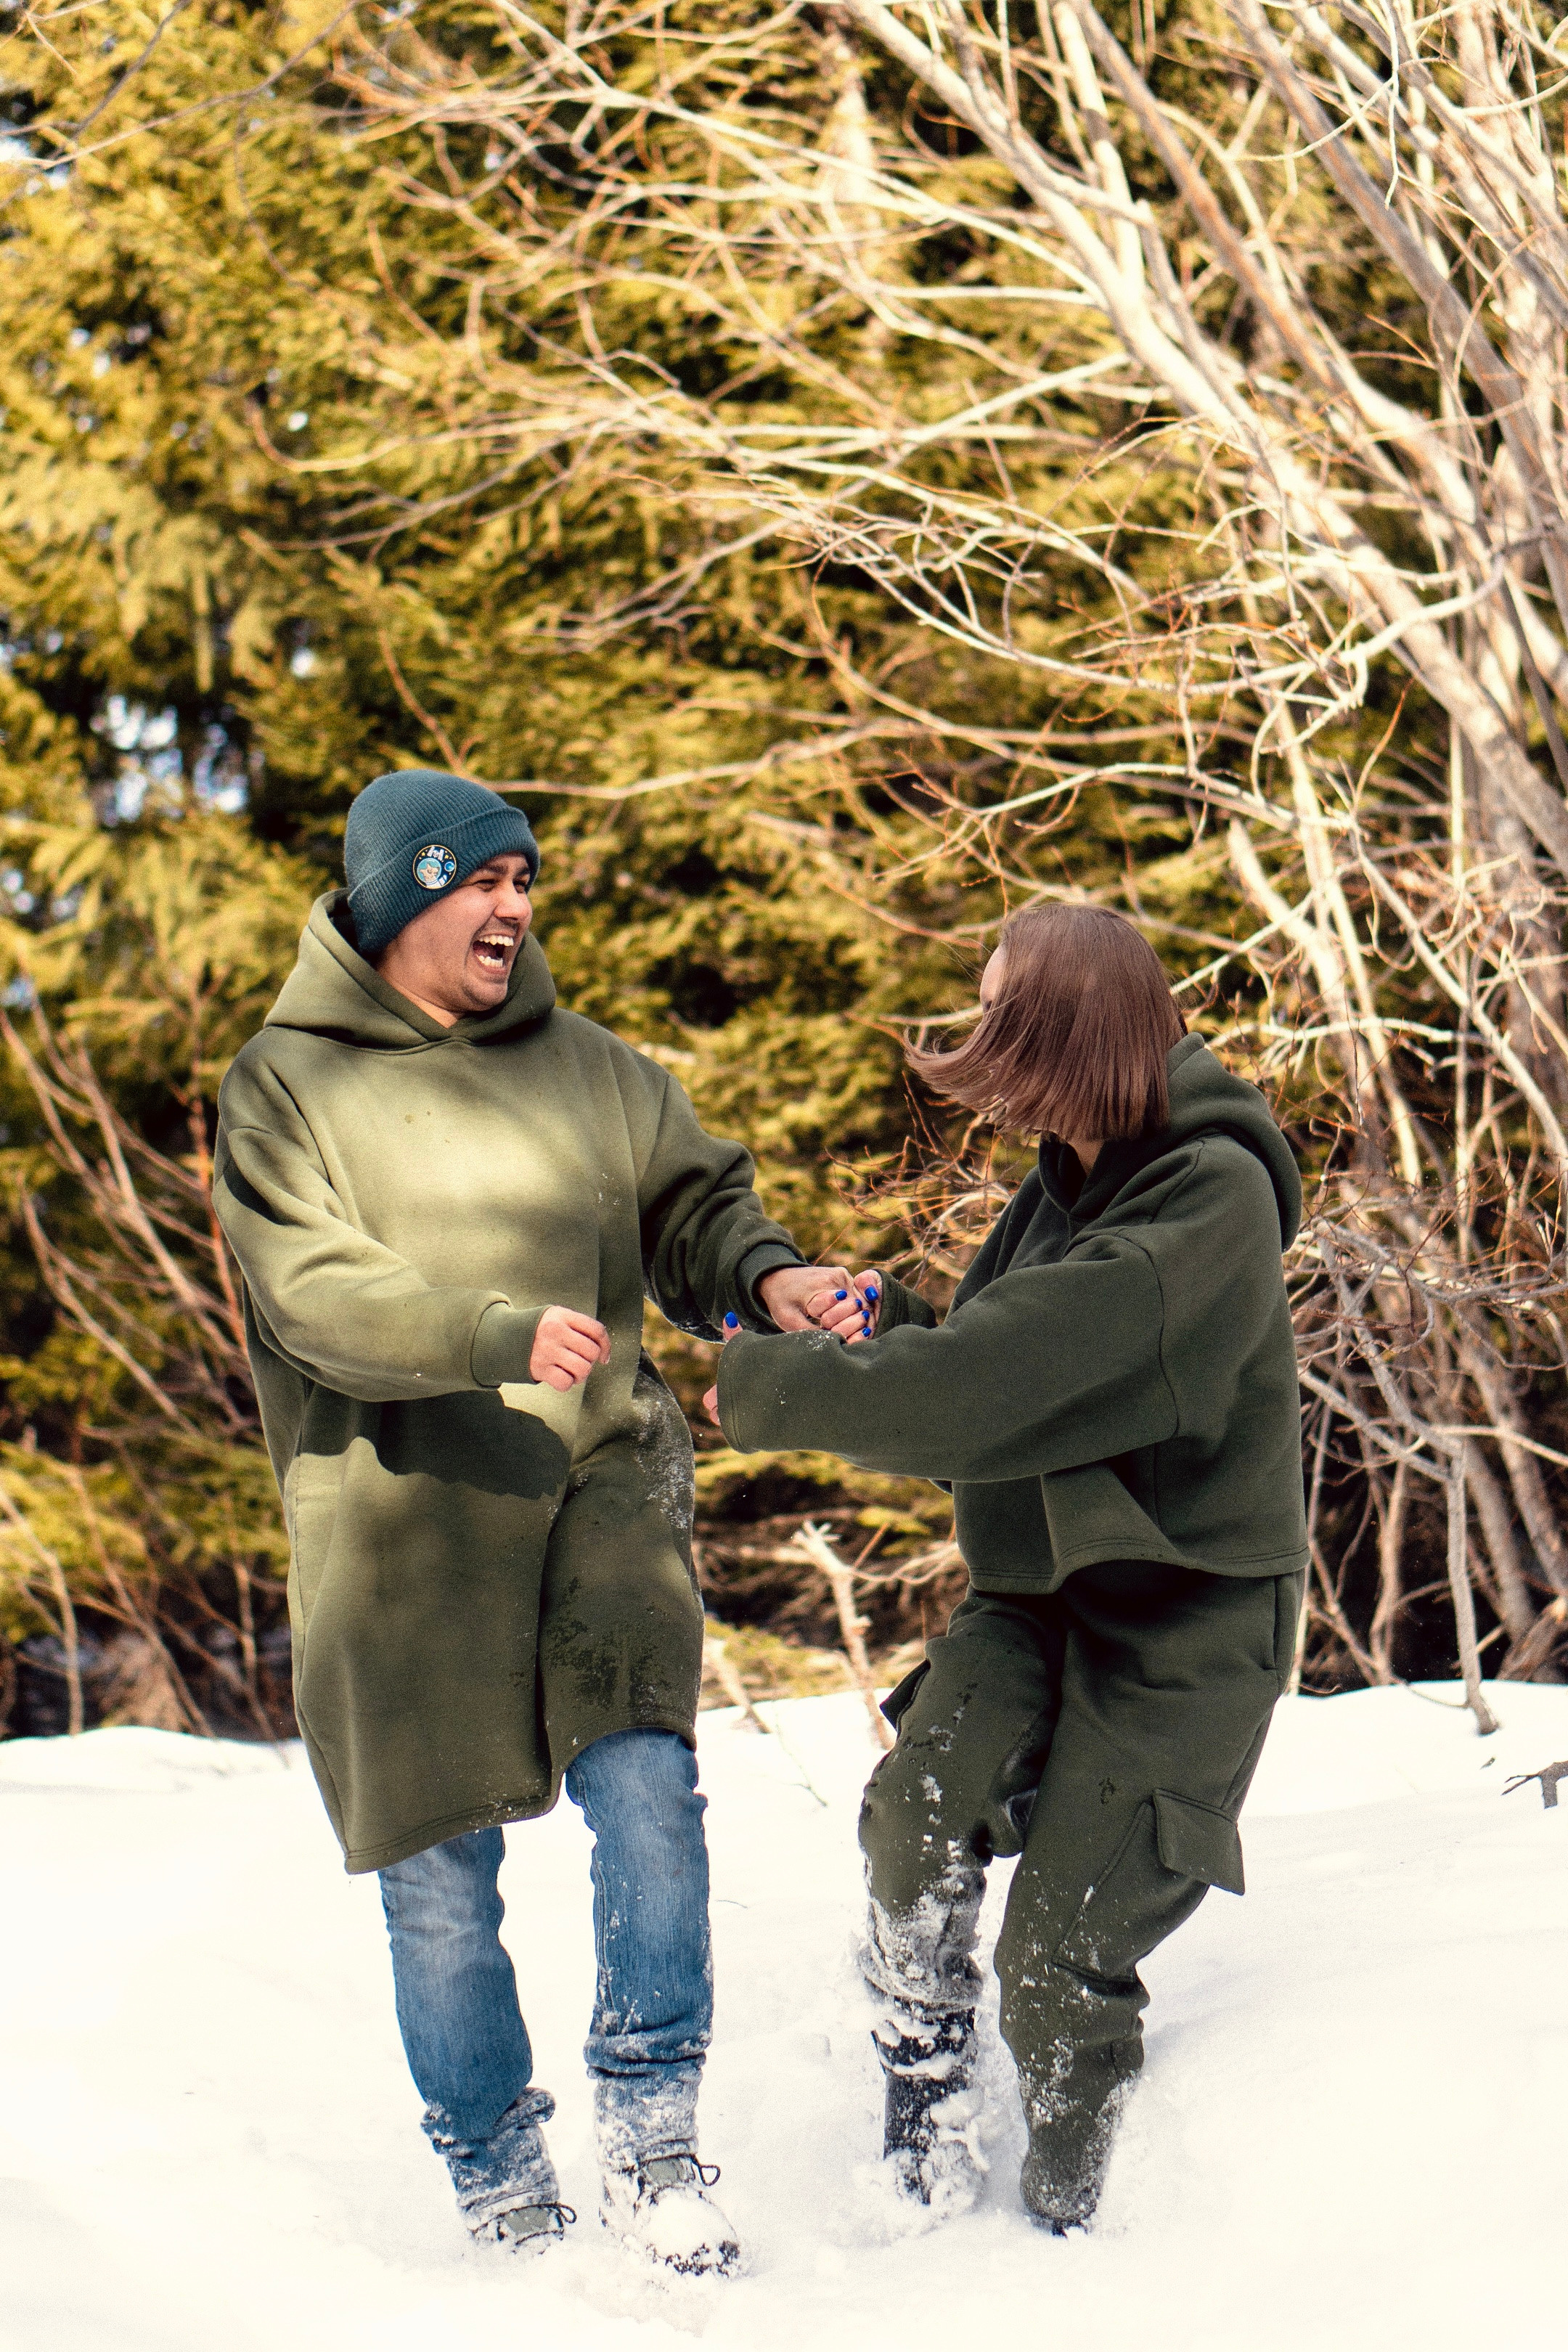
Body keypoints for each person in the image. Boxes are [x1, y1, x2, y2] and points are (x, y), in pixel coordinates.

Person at [213, 767, 852, 2273]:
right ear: (396, 904)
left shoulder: (594, 1070)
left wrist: (766, 1280)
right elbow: (316, 1296)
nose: (513, 907)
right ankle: (498, 2164)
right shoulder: (286, 1087)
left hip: (596, 1482)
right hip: (400, 1522)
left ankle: (654, 2130)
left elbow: (692, 1205)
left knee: (647, 1786)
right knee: (439, 1885)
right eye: (479, 882)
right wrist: (490, 1327)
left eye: (523, 883)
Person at [709, 902, 1307, 2234]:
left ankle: (1071, 2229)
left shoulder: (1209, 1196)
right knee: (914, 1814)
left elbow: (1005, 1379)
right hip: (1041, 1594)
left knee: (1055, 1960)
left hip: (1187, 1621)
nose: (979, 1043)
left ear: (1070, 1031)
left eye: (1000, 1016)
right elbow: (995, 1347)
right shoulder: (1066, 1179)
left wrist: (773, 1387)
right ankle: (923, 2097)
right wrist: (890, 1325)